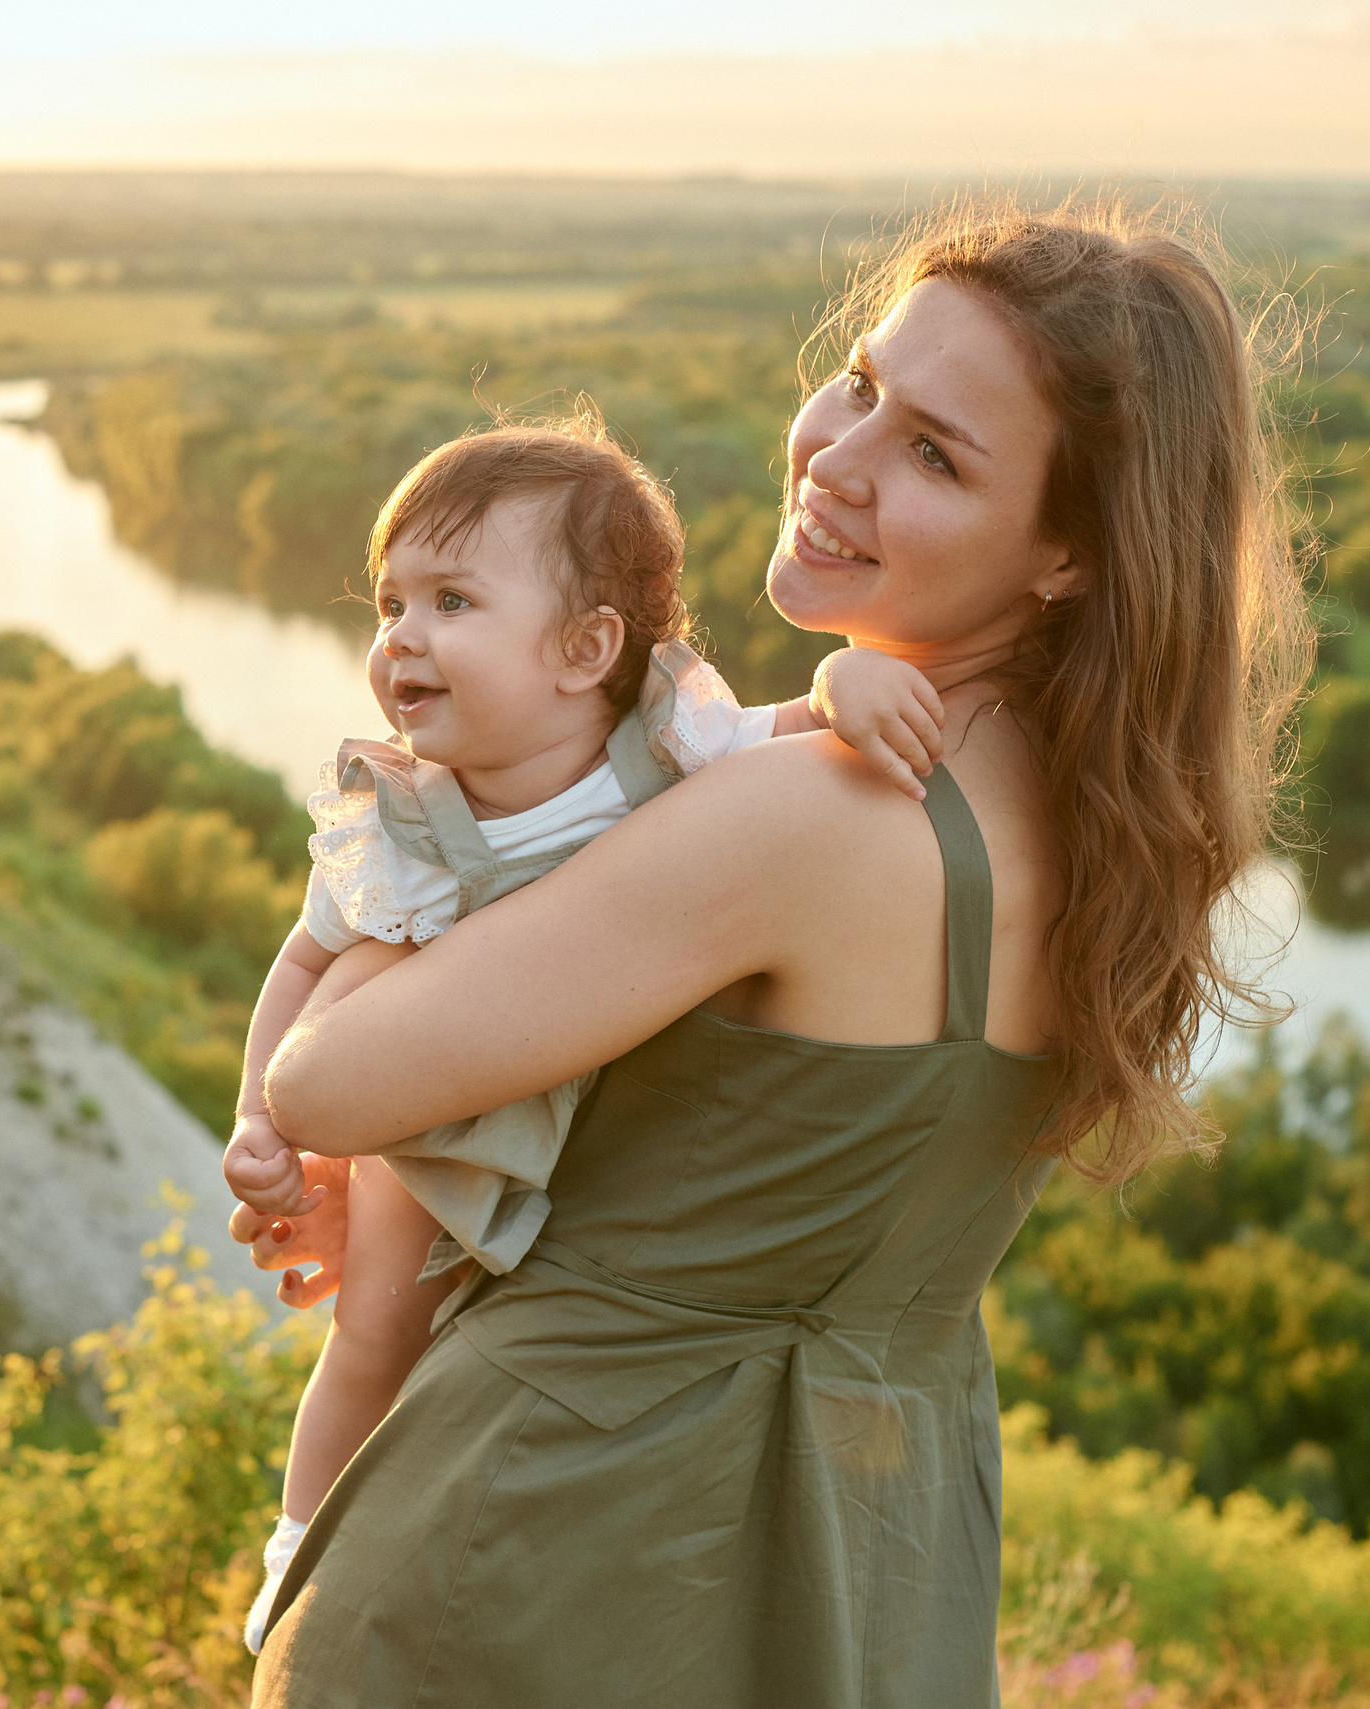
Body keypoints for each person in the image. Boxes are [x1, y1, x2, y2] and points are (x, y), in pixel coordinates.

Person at [238, 198, 1312, 1707]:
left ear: (1068, 554)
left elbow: (330, 1087)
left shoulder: (805, 815)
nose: (838, 458)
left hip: (541, 1554)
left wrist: (363, 941)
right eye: (863, 385)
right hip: (863, 1565)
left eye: (934, 453)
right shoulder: (1108, 835)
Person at [219, 415, 945, 1651]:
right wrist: (256, 1117)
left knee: (510, 1349)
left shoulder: (662, 745)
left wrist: (847, 678)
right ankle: (302, 1556)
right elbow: (304, 957)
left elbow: (787, 732)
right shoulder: (394, 816)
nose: (401, 635)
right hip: (437, 1122)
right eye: (390, 602)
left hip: (609, 1146)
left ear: (584, 648)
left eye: (451, 600)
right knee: (375, 1328)